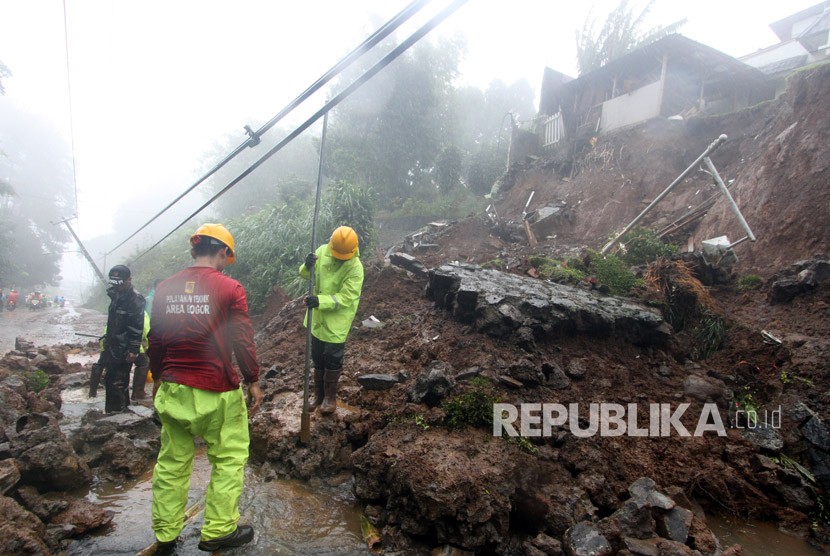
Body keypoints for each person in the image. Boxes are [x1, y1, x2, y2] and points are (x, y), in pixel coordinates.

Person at [148, 223, 262, 553]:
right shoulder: (230, 288)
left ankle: (166, 534)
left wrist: (157, 378)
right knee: (228, 459)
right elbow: (241, 339)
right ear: (223, 251)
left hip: (174, 387)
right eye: (229, 255)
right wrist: (253, 380)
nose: (229, 261)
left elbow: (155, 340)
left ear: (194, 249)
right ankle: (218, 531)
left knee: (171, 463)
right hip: (218, 391)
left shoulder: (166, 288)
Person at [300, 225, 365, 415]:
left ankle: (330, 397)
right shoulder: (321, 252)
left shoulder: (355, 268)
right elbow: (305, 275)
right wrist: (307, 265)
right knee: (318, 357)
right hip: (317, 318)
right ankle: (318, 396)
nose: (337, 258)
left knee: (333, 359)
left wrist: (319, 301)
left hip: (337, 321)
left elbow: (345, 297)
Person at [101, 265, 146, 413]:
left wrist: (133, 349)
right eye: (114, 283)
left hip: (124, 347)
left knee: (118, 380)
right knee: (111, 379)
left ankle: (117, 413)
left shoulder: (135, 299)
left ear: (129, 280)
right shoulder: (115, 295)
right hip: (112, 345)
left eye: (120, 283)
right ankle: (119, 409)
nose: (117, 287)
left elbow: (136, 326)